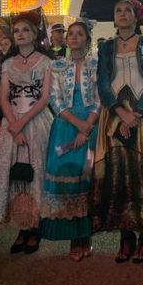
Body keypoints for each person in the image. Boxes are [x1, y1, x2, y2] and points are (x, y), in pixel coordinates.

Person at [91, 0, 143, 264]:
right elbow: (102, 82)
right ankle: (125, 235)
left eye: (128, 11)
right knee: (118, 172)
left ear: (137, 17)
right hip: (114, 114)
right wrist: (119, 112)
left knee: (141, 169)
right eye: (118, 10)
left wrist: (137, 112)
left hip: (142, 113)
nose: (122, 14)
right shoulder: (105, 47)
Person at [0, 9, 53, 255]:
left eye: (25, 30)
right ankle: (22, 226)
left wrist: (22, 123)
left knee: (36, 170)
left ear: (35, 34)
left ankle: (36, 226)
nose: (20, 34)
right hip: (11, 122)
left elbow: (45, 98)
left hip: (37, 121)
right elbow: (3, 97)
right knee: (14, 174)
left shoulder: (46, 62)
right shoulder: (7, 63)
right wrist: (12, 124)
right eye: (16, 30)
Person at [40, 22, 99, 261]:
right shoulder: (56, 66)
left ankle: (84, 236)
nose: (74, 37)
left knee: (87, 178)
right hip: (65, 125)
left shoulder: (97, 64)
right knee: (64, 174)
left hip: (92, 124)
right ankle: (72, 234)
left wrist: (88, 126)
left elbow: (100, 99)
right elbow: (54, 99)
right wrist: (78, 125)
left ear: (88, 39)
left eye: (80, 34)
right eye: (70, 34)